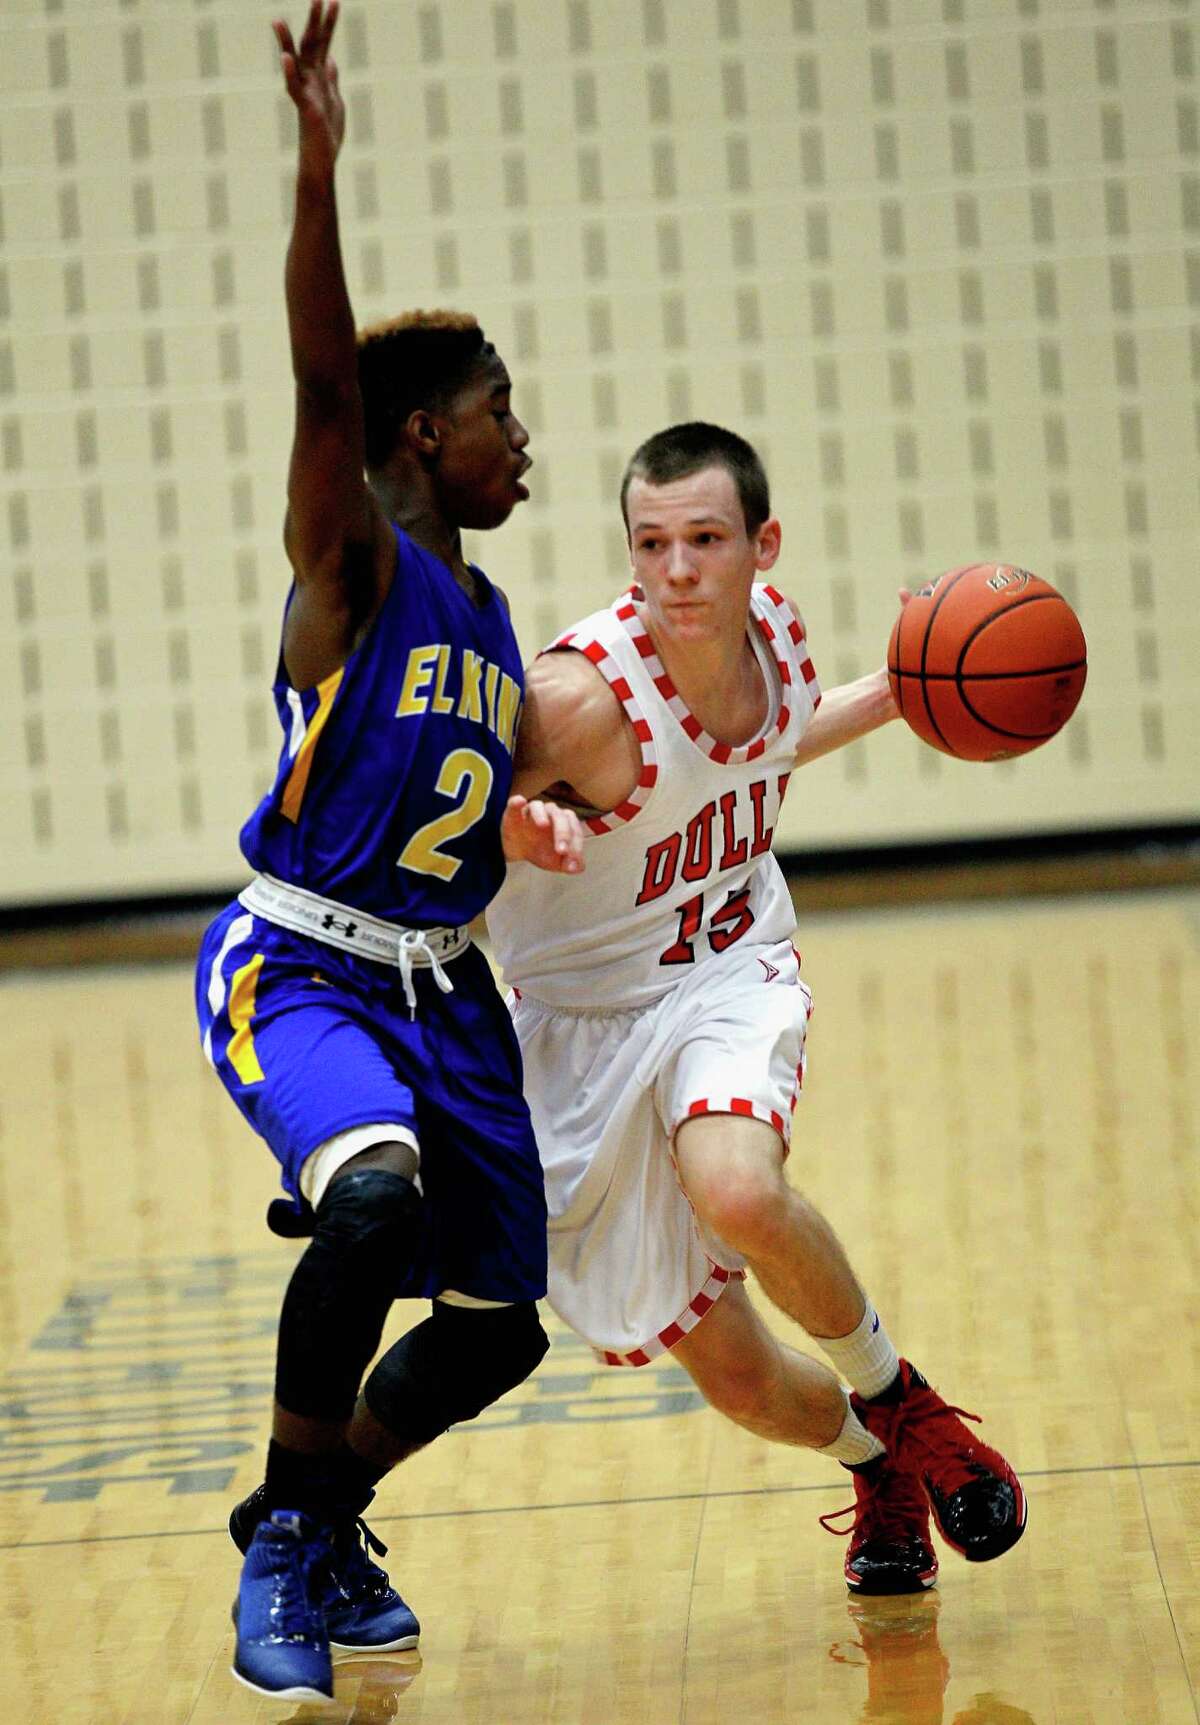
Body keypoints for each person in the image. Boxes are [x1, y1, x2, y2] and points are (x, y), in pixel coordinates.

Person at [193, 3, 582, 1702]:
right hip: (302, 961)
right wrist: (315, 162)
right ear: (428, 431)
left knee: (501, 1325)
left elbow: (465, 810)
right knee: (363, 1212)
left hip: (447, 990)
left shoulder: (498, 630)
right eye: (504, 412)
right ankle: (286, 1550)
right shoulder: (352, 560)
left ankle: (320, 1503)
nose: (524, 441)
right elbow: (320, 375)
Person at [488, 420, 1027, 1600]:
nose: (678, 569)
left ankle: (907, 1403)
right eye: (652, 543)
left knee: (737, 1185)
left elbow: (763, 756)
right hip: (580, 1026)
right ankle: (874, 1459)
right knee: (738, 1384)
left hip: (727, 966)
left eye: (705, 539)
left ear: (760, 545)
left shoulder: (773, 639)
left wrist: (899, 691)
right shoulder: (573, 703)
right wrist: (510, 835)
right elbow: (422, 823)